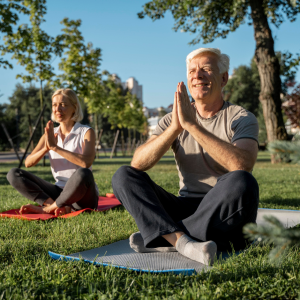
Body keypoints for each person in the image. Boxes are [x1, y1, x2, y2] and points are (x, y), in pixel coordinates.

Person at [112, 48, 259, 266]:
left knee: (243, 181)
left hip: (222, 209)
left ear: (224, 78)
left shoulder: (240, 117)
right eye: (192, 71)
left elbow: (241, 164)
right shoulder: (173, 119)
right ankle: (182, 241)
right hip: (185, 204)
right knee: (123, 175)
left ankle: (163, 236)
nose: (197, 75)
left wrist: (191, 125)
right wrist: (174, 129)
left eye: (206, 69)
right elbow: (138, 163)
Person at [7, 88, 98, 216]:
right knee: (13, 173)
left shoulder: (86, 132)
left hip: (82, 197)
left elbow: (86, 162)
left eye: (63, 105)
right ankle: (53, 205)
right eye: (54, 105)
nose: (58, 109)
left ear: (75, 107)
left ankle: (48, 209)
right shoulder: (50, 135)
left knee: (83, 173)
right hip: (58, 191)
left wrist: (56, 148)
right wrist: (46, 148)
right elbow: (28, 162)